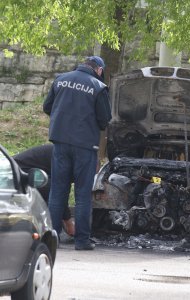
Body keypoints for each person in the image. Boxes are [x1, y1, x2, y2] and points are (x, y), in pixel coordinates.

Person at [43, 56, 112, 250]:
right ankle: (82, 241)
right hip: (84, 147)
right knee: (82, 194)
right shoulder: (98, 86)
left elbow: (47, 107)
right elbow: (105, 119)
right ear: (99, 70)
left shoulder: (61, 79)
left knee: (57, 192)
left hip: (60, 143)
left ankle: (51, 240)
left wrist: (63, 118)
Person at [13, 144, 75, 236]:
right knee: (54, 193)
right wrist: (69, 222)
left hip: (24, 170)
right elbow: (61, 193)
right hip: (20, 172)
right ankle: (47, 232)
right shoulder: (66, 160)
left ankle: (47, 229)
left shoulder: (68, 153)